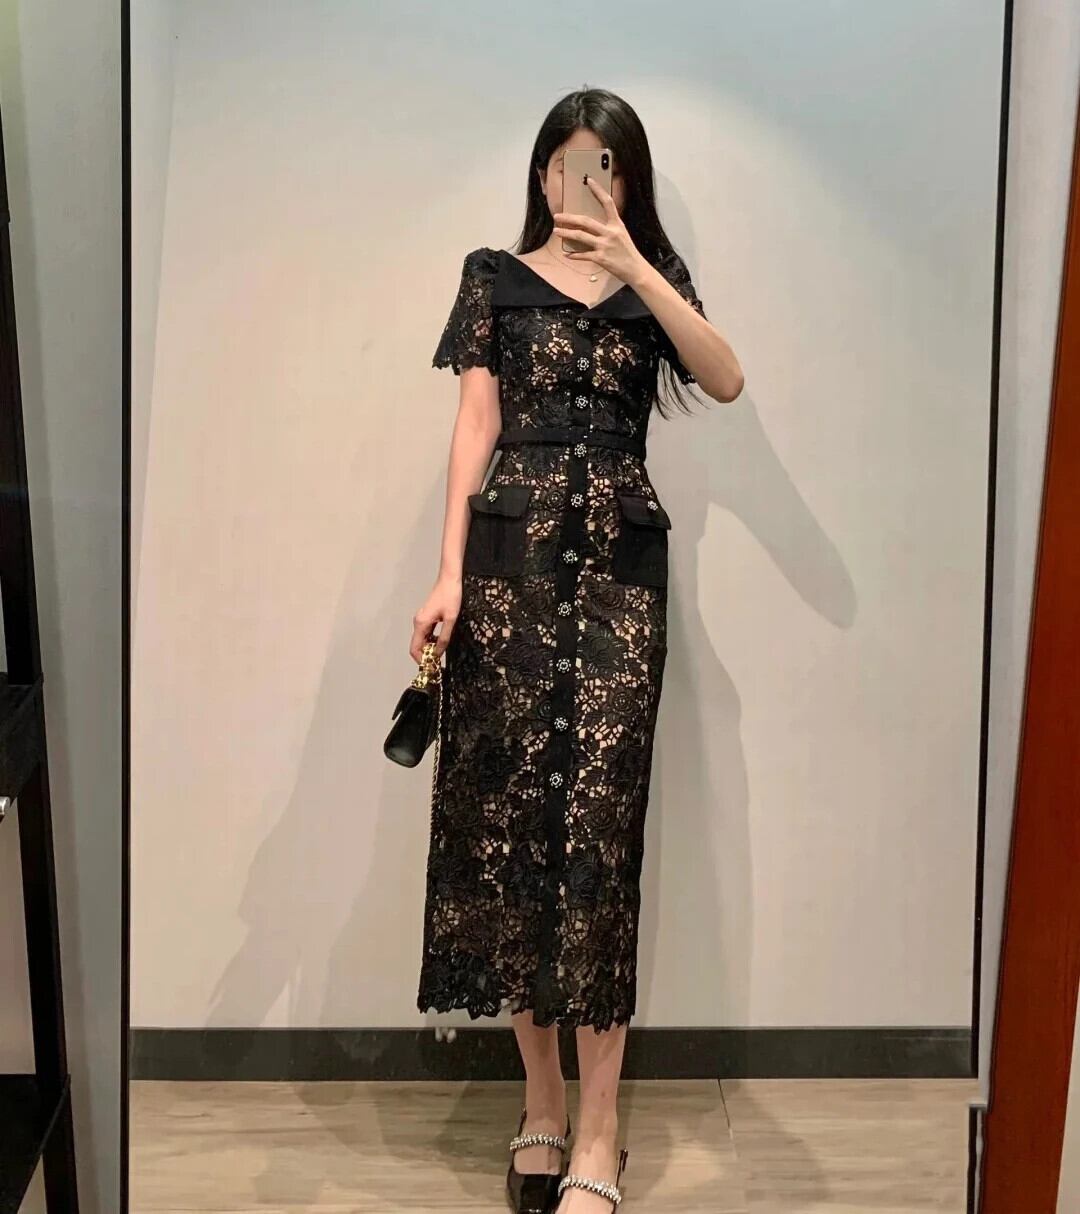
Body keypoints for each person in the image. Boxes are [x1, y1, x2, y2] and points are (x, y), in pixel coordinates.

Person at [412, 86, 744, 1213]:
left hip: (617, 581)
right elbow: (475, 425)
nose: (581, 181)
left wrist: (638, 262)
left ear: (626, 179)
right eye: (566, 161)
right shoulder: (491, 278)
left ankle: (602, 1129)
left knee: (598, 838)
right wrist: (449, 574)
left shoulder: (654, 284)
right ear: (542, 171)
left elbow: (725, 376)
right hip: (508, 572)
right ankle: (543, 1102)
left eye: (605, 164)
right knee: (511, 833)